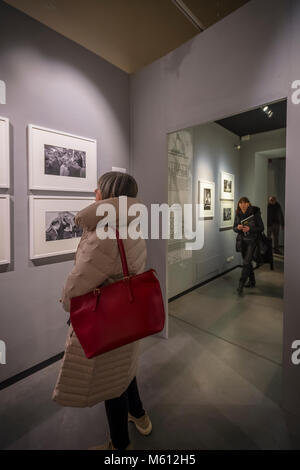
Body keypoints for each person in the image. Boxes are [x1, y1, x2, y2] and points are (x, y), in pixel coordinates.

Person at [52, 172, 152, 450]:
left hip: (107, 317)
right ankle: (140, 415)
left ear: (108, 194)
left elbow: (79, 281)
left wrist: (66, 304)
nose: (94, 190)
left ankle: (120, 446)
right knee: (125, 368)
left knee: (111, 382)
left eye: (99, 187)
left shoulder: (104, 233)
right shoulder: (132, 224)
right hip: (127, 314)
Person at [233, 197, 264, 295]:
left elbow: (262, 228)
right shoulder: (238, 214)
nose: (242, 205)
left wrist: (250, 229)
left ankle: (240, 284)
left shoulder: (255, 213)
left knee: (246, 263)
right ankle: (252, 281)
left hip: (252, 242)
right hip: (242, 242)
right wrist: (237, 228)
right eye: (240, 203)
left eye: (244, 203)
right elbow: (234, 227)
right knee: (248, 263)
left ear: (248, 204)